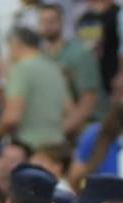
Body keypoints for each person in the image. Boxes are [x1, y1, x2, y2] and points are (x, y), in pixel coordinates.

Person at [0, 27, 71, 150]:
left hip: (29, 146)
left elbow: (12, 117)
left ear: (16, 45)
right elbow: (68, 109)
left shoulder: (21, 69)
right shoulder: (54, 68)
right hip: (57, 145)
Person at [38, 3, 107, 136]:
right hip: (55, 123)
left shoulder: (80, 53)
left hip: (88, 125)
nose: (47, 25)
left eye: (52, 21)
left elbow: (89, 102)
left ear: (62, 22)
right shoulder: (40, 57)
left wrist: (60, 133)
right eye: (43, 21)